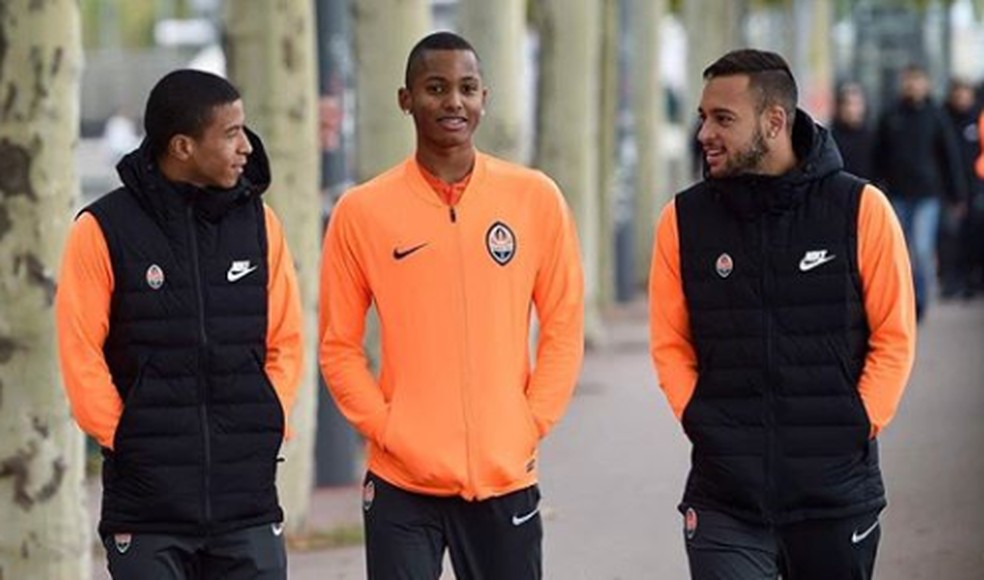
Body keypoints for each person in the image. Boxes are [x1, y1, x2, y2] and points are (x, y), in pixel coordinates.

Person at [319, 31, 584, 579]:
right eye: (435, 88)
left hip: (504, 476)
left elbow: (563, 325)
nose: (453, 102)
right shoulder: (362, 211)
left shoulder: (534, 199)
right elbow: (338, 347)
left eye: (466, 88)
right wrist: (387, 429)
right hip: (401, 482)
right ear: (406, 98)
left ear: (485, 97)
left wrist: (528, 423)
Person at [649, 49, 916, 580]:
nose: (705, 133)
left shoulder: (861, 209)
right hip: (725, 497)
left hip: (835, 496)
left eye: (723, 119)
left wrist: (856, 423)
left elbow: (894, 336)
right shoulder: (682, 220)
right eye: (703, 117)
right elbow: (670, 344)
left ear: (774, 121)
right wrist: (703, 419)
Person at [55, 69, 303, 580]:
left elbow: (285, 340)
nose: (246, 149)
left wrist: (265, 419)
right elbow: (80, 353)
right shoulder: (101, 229)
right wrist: (127, 436)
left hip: (247, 503)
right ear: (183, 146)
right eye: (231, 133)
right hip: (148, 511)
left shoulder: (261, 224)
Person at [874, 64, 967, 320]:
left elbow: (949, 157)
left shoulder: (936, 115)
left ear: (925, 84)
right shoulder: (890, 115)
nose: (913, 85)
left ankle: (921, 301)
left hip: (928, 196)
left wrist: (956, 194)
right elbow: (878, 155)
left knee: (923, 249)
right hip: (897, 194)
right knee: (899, 251)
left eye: (917, 80)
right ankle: (903, 301)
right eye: (909, 80)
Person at [940, 78, 982, 298]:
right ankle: (951, 281)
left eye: (965, 94)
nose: (961, 98)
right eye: (957, 93)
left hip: (976, 187)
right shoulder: (943, 118)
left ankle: (972, 280)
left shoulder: (978, 119)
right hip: (948, 190)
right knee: (950, 237)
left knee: (973, 235)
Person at [829, 81, 875, 179]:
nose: (851, 109)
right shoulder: (829, 139)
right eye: (847, 104)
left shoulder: (873, 137)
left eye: (856, 104)